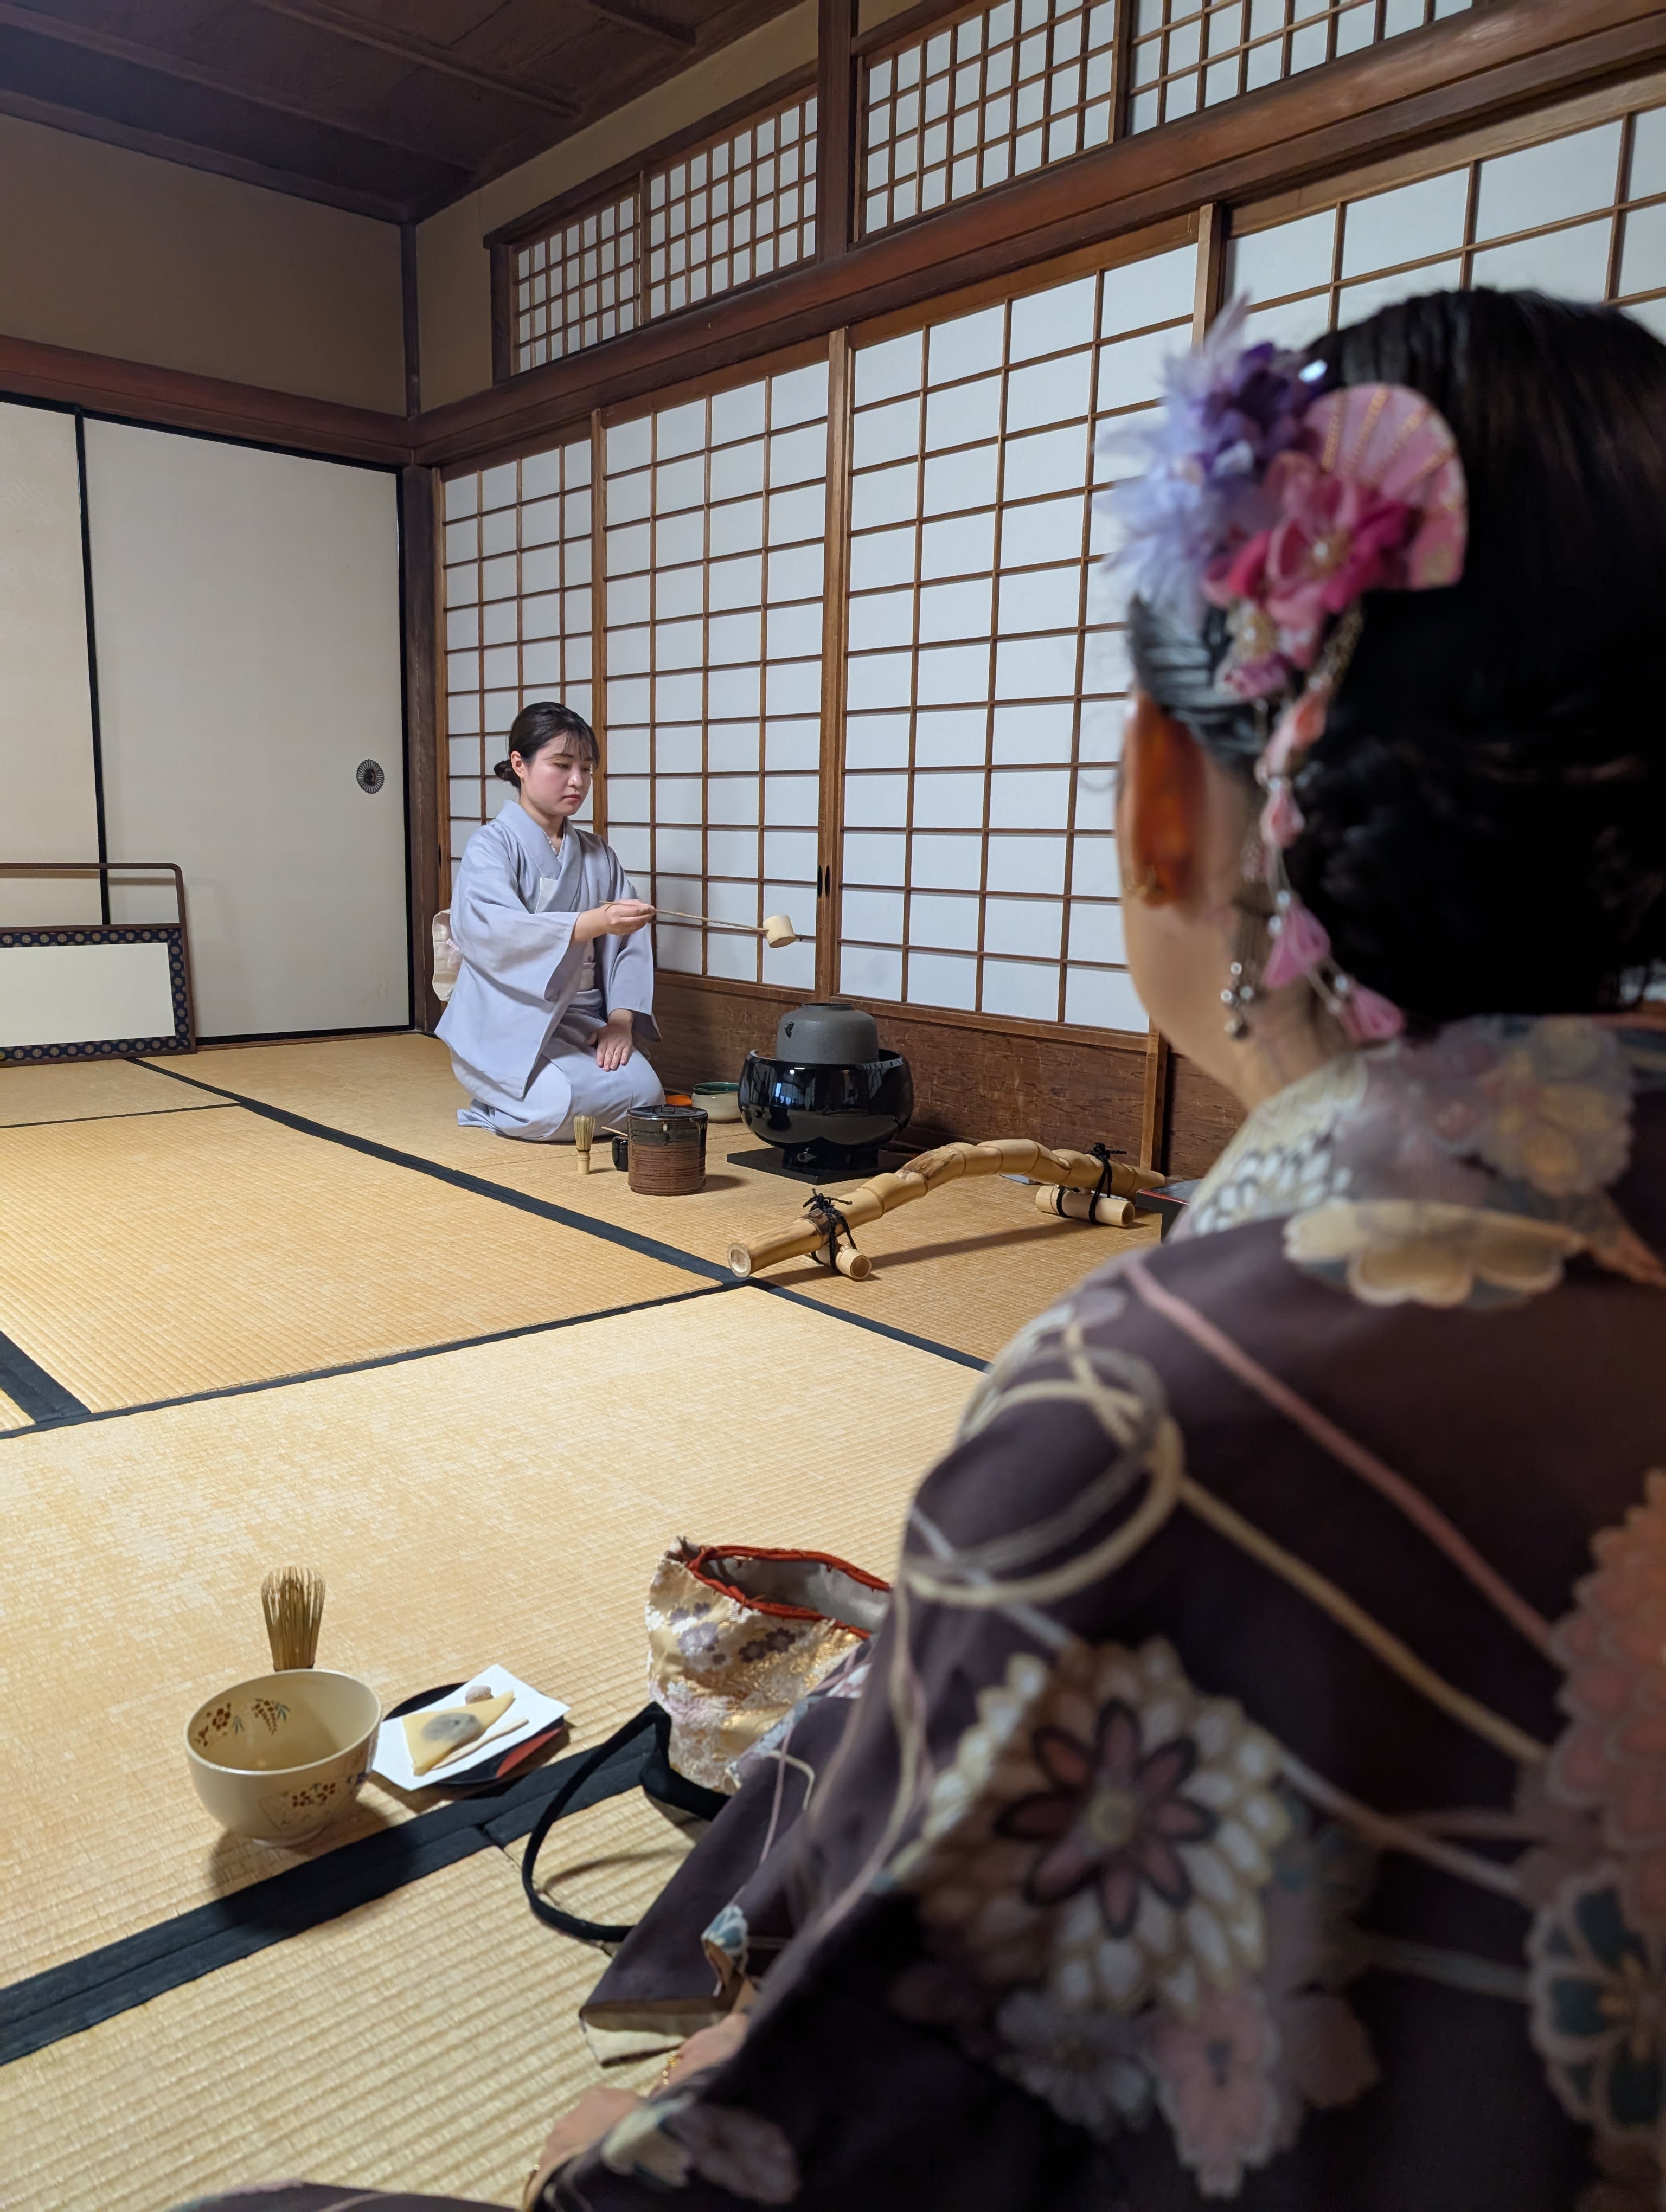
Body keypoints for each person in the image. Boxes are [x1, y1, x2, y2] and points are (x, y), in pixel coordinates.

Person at [187, 289, 1666, 2211]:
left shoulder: (1140, 1409)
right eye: (557, 773)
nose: (569, 789)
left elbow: (901, 2119)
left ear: (1165, 803)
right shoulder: (499, 853)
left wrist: (634, 2149)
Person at [439, 702, 665, 1142]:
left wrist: (620, 1021)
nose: (577, 781)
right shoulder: (491, 846)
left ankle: (528, 1096)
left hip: (581, 1020)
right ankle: (494, 1105)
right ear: (520, 765)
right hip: (504, 1020)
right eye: (561, 765)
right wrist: (590, 923)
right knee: (558, 1107)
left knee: (648, 1094)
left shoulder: (598, 854)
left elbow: (630, 947)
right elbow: (493, 933)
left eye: (587, 768)